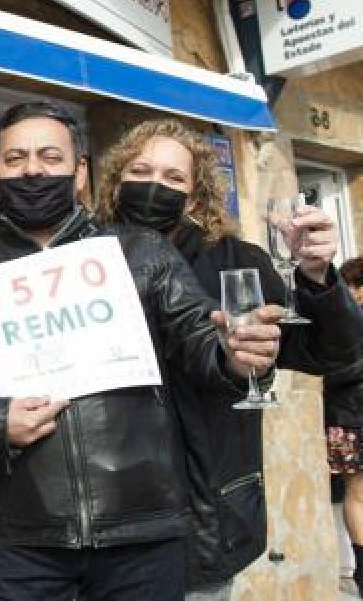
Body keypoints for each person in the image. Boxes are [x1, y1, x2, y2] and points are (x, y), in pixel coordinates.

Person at [0, 101, 283, 601]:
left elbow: (197, 333)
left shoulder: (141, 251)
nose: (33, 169)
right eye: (15, 158)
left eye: (50, 157)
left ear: (79, 173)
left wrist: (233, 355)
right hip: (19, 538)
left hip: (143, 536)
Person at [92, 118, 363, 601]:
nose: (154, 185)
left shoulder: (238, 261)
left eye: (173, 177)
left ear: (194, 198)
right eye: (141, 171)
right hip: (107, 519)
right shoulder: (82, 263)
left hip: (206, 516)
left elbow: (329, 352)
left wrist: (319, 278)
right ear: (116, 182)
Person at [325, 258, 363, 595]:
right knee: (358, 494)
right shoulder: (338, 320)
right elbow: (333, 371)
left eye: (357, 283)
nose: (353, 291)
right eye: (350, 283)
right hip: (350, 417)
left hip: (349, 413)